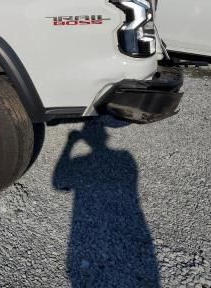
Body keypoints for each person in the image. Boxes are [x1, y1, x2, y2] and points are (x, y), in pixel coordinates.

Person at [52, 119, 160, 287]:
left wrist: (69, 144)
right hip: (132, 223)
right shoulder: (126, 158)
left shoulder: (86, 160)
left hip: (86, 225)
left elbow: (58, 182)